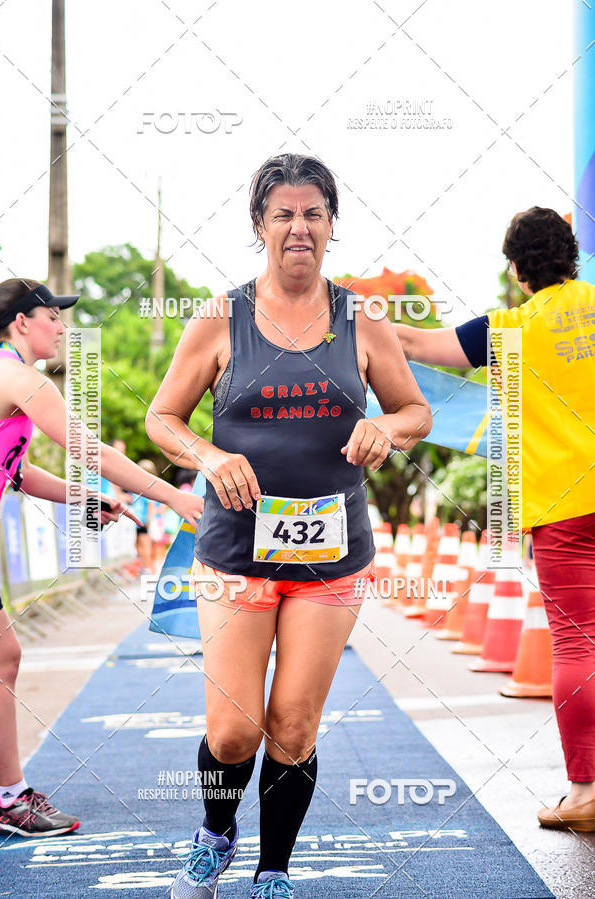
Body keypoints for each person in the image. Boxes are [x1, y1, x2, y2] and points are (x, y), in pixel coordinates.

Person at [146, 153, 431, 898]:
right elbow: (162, 419)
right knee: (235, 730)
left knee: (295, 725)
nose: (299, 227)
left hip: (331, 556)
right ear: (259, 225)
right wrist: (209, 456)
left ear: (332, 225)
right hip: (235, 553)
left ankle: (273, 870)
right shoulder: (220, 317)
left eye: (314, 214)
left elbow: (416, 409)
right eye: (284, 214)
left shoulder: (362, 319)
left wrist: (387, 427)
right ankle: (214, 835)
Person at [395, 207, 595, 832]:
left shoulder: (507, 330)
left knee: (578, 643)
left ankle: (586, 793)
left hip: (564, 507)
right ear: (571, 255)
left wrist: (349, 318)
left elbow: (419, 345)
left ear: (516, 270)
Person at [0, 278, 203, 838]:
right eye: (52, 316)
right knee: (2, 658)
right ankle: (9, 798)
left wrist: (85, 497)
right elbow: (92, 450)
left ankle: (7, 794)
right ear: (22, 322)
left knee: (2, 657)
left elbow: (18, 472)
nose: (62, 327)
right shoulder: (21, 378)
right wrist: (172, 496)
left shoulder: (6, 375)